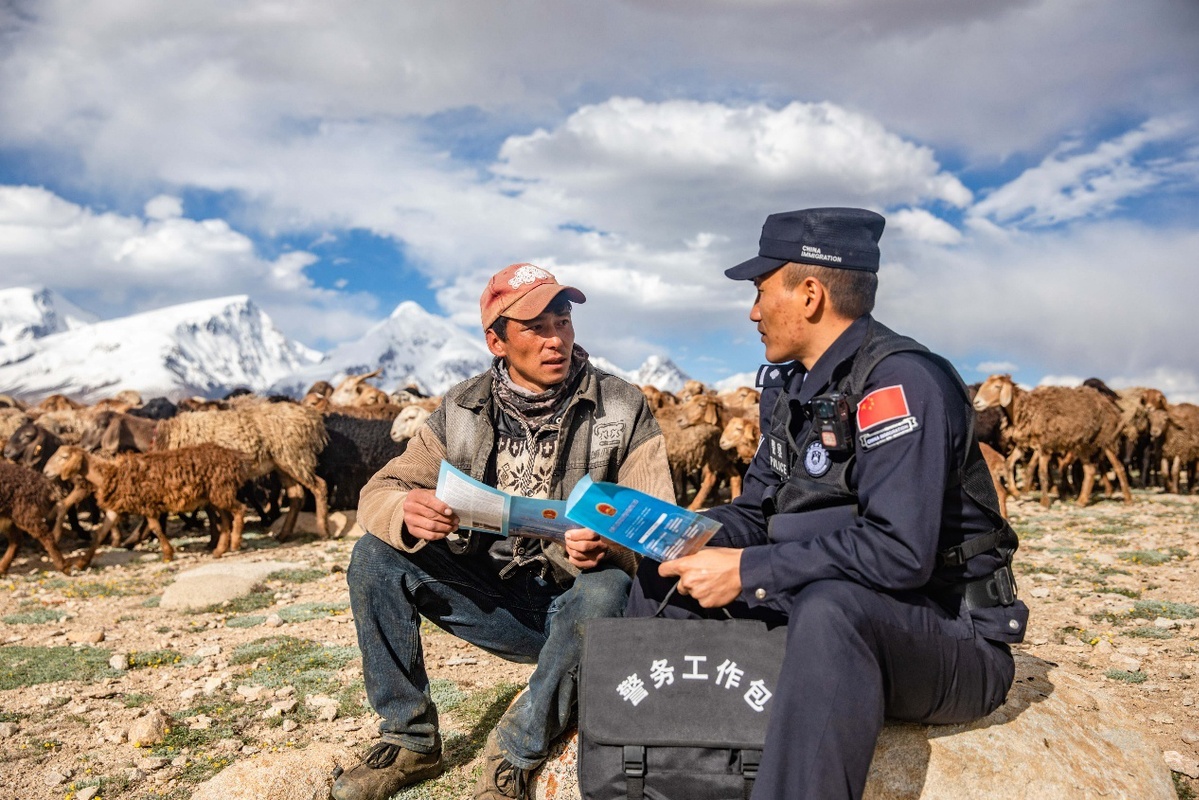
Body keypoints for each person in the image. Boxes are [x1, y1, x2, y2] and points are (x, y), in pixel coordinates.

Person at [625, 208, 1028, 800]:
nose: (753, 311)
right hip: (821, 607)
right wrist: (670, 532)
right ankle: (662, 782)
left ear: (810, 294)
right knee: (664, 577)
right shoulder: (793, 390)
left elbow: (900, 552)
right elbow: (755, 510)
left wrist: (747, 571)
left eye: (762, 292)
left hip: (946, 634)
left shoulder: (899, 385)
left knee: (832, 607)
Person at [333, 262, 673, 800]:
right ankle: (409, 738)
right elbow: (379, 490)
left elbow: (659, 522)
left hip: (583, 609)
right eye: (535, 328)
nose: (554, 339)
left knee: (607, 586)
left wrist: (612, 543)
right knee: (375, 556)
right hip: (495, 599)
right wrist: (405, 509)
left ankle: (515, 752)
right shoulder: (462, 409)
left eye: (562, 321)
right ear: (497, 340)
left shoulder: (622, 406)